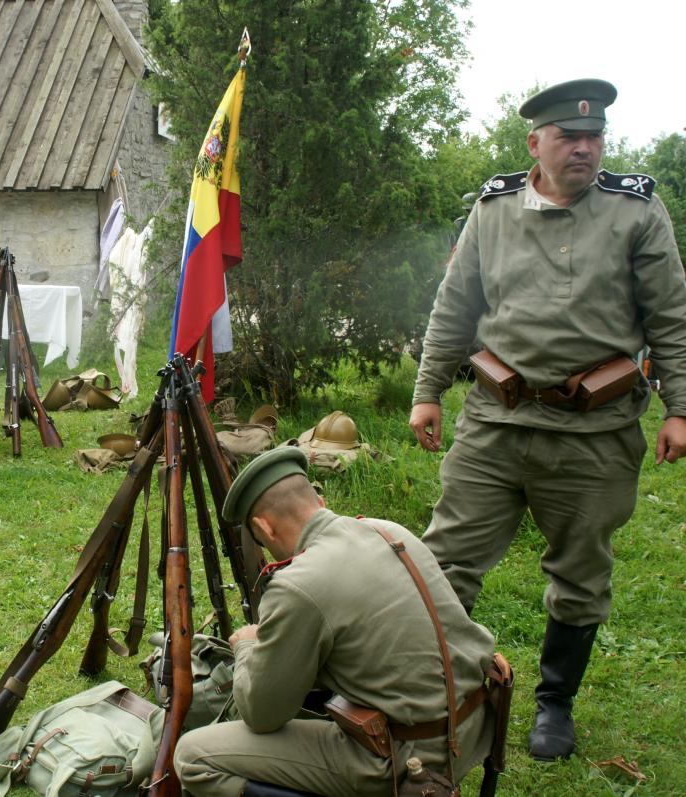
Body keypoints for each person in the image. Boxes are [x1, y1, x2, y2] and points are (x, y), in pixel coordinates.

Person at [410, 79, 686, 762]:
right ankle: (428, 687)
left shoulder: (637, 213)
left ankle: (554, 701)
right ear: (535, 142)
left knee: (581, 570)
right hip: (495, 422)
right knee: (444, 560)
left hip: (595, 430)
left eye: (595, 137)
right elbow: (455, 306)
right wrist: (426, 391)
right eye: (570, 137)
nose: (585, 149)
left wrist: (682, 406)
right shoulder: (494, 208)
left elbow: (671, 318)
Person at [174, 446, 500, 797]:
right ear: (320, 501)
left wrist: (248, 645)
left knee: (193, 756)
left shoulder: (299, 583)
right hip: (472, 726)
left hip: (411, 758)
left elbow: (261, 713)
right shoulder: (390, 531)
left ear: (263, 527)